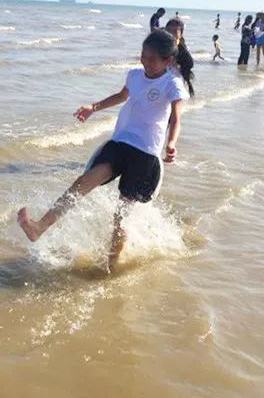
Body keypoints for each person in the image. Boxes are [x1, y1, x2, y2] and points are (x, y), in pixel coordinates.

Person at [17, 30, 189, 271]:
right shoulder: (135, 75)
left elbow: (176, 118)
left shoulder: (172, 83)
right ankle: (38, 228)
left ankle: (111, 266)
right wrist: (93, 107)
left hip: (145, 154)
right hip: (119, 143)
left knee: (120, 218)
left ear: (167, 60)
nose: (145, 62)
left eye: (151, 59)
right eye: (143, 55)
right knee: (82, 182)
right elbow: (121, 96)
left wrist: (172, 144)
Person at [164, 18, 195, 96]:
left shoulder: (182, 49)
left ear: (180, 34)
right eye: (169, 30)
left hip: (174, 82)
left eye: (175, 31)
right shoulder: (159, 45)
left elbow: (190, 63)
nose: (171, 33)